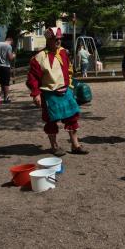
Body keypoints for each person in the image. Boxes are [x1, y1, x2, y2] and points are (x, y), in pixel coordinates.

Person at [26, 27, 88, 156]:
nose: (58, 41)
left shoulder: (63, 53)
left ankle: (75, 145)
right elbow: (33, 78)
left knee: (72, 118)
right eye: (55, 39)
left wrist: (71, 86)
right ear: (48, 40)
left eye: (59, 39)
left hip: (66, 92)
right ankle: (54, 146)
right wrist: (36, 94)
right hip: (49, 94)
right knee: (51, 121)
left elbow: (69, 70)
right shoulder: (38, 58)